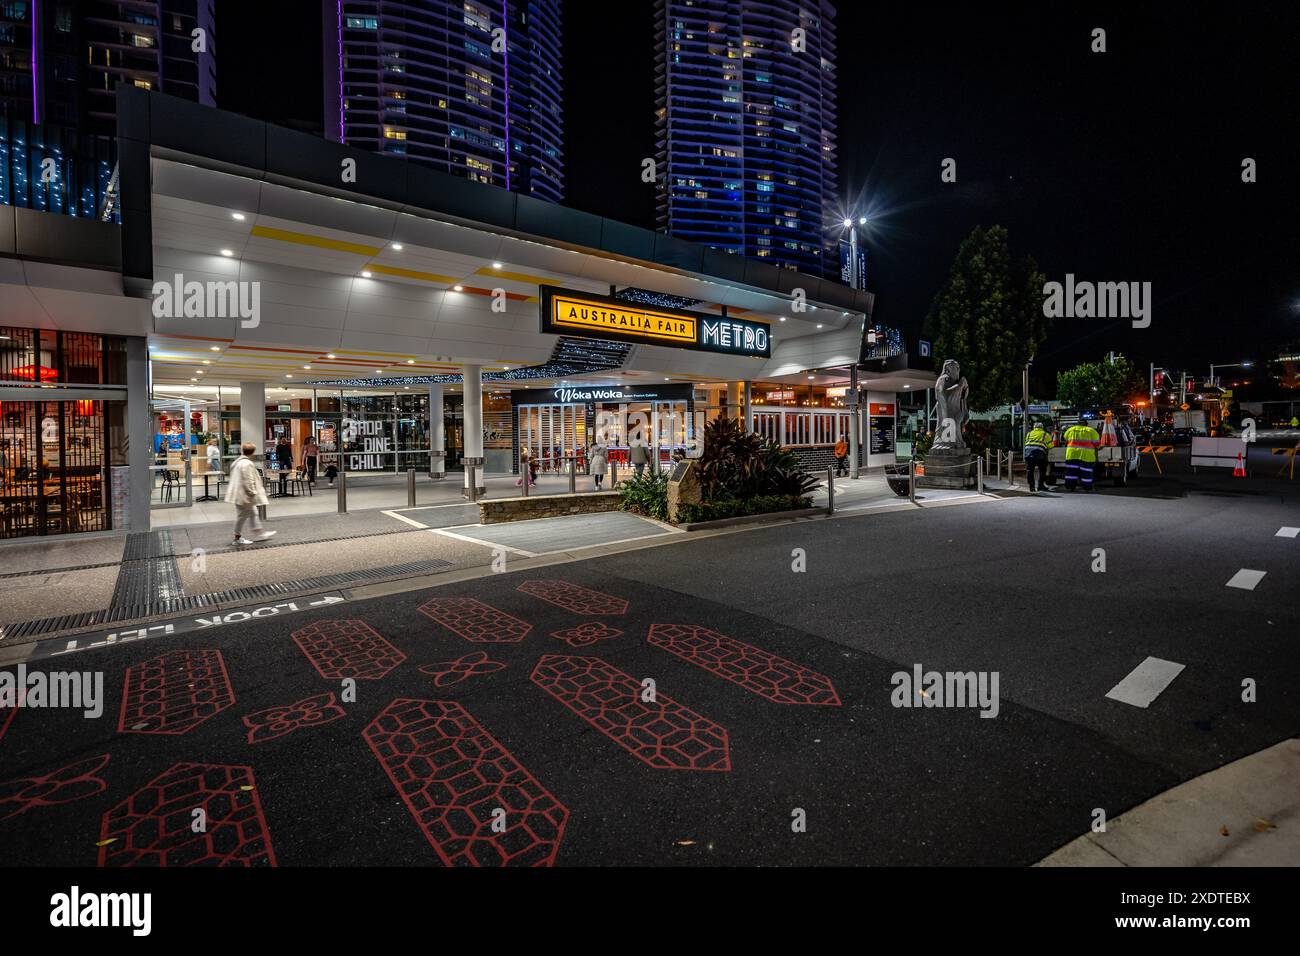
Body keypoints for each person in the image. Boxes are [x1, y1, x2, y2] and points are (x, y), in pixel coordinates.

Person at [225, 442, 276, 545]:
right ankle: (237, 537)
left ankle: (260, 533)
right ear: (253, 452)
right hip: (244, 495)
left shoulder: (238, 462)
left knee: (253, 513)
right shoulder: (247, 464)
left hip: (240, 494)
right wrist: (252, 492)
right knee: (242, 516)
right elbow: (248, 480)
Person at [1062, 419, 1101, 491]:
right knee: (1086, 472)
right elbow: (1097, 443)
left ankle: (1070, 487)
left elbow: (1065, 438)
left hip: (1072, 454)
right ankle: (1087, 488)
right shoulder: (1091, 430)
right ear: (1086, 424)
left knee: (1071, 472)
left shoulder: (1071, 430)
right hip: (1086, 455)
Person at [1023, 420, 1054, 492]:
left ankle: (1031, 487)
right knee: (1042, 470)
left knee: (1030, 470)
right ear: (1042, 427)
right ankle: (1040, 486)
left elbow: (1026, 442)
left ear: (1034, 427)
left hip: (1028, 453)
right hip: (1039, 453)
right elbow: (1050, 446)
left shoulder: (1029, 433)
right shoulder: (1045, 434)